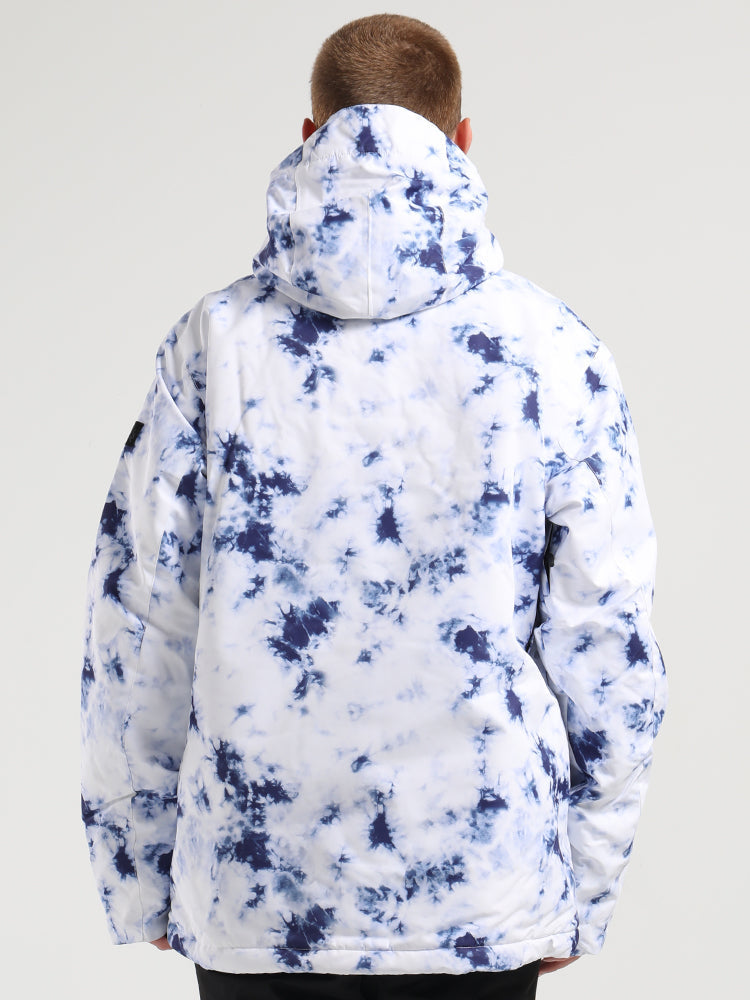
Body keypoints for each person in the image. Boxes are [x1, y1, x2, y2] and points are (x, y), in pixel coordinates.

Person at [80, 13, 667, 1000]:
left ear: (309, 136)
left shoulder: (213, 344)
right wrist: (584, 886)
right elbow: (610, 642)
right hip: (481, 898)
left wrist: (138, 873)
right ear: (462, 140)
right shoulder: (553, 351)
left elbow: (137, 620)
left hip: (255, 901)